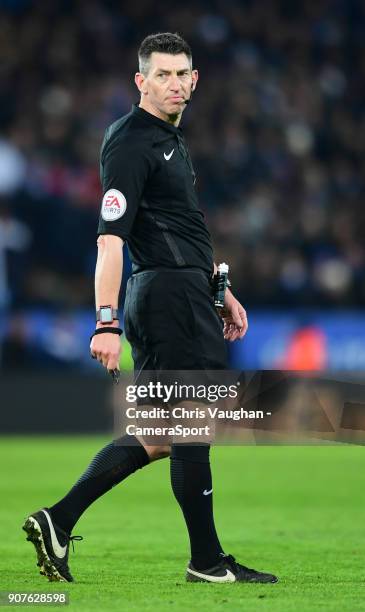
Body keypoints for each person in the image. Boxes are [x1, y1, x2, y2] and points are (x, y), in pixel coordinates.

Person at [23, 32, 278, 585]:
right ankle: (207, 563)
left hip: (183, 292)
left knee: (161, 434)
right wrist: (105, 321)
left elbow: (174, 229)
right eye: (162, 74)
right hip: (166, 299)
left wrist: (218, 287)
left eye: (182, 73)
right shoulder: (133, 140)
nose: (174, 83)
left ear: (195, 80)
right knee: (192, 426)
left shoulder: (170, 141)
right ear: (140, 81)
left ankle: (58, 521)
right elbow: (110, 239)